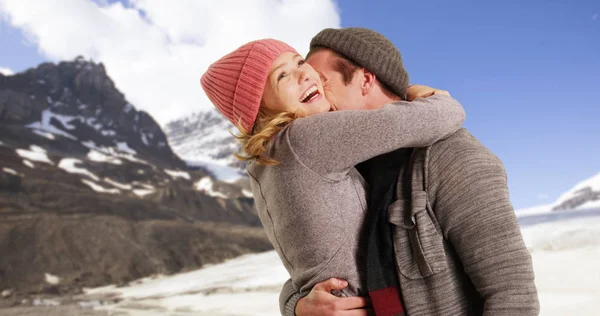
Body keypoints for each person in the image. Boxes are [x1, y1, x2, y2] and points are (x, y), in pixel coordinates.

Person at [280, 28, 540, 316]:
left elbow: (514, 296)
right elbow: (310, 266)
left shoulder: (452, 156)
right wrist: (298, 306)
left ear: (365, 81)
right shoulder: (332, 170)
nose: (316, 99)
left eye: (322, 83)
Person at [200, 39, 465, 313]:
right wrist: (433, 97)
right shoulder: (306, 138)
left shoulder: (262, 166)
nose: (304, 74)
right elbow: (442, 117)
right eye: (282, 75)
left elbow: (303, 267)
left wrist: (295, 307)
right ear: (258, 109)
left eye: (300, 61)